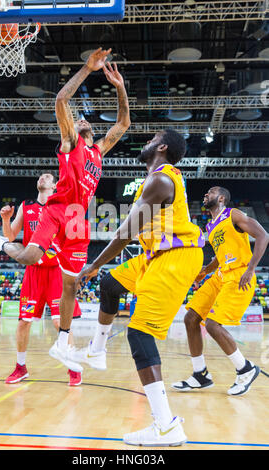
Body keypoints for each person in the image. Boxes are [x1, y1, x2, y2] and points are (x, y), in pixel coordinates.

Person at [0, 48, 130, 372]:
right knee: (29, 256)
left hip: (78, 222)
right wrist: (87, 69)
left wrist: (120, 87)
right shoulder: (72, 142)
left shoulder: (98, 151)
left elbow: (124, 122)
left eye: (86, 120)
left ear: (93, 131)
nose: (81, 119)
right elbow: (60, 101)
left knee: (70, 285)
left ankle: (62, 342)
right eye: (79, 118)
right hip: (56, 212)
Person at [73, 128, 205, 447]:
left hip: (175, 257)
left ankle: (166, 426)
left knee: (139, 333)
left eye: (151, 139)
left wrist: (94, 263)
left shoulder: (160, 180)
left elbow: (128, 229)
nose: (144, 143)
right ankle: (97, 349)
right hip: (154, 255)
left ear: (160, 147)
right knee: (109, 285)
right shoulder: (156, 179)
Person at [171, 186, 269, 396]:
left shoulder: (233, 214)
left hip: (240, 275)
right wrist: (206, 270)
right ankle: (200, 375)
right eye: (206, 192)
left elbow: (263, 236)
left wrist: (251, 269)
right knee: (190, 318)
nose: (206, 194)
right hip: (220, 275)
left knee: (213, 325)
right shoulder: (210, 226)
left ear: (221, 198)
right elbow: (220, 255)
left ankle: (245, 369)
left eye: (211, 192)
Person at [0, 173, 83, 385]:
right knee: (23, 322)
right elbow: (10, 237)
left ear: (55, 185)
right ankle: (20, 367)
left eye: (47, 176)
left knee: (59, 322)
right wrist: (6, 220)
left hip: (56, 271)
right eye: (40, 176)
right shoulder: (26, 207)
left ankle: (73, 367)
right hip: (33, 272)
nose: (41, 178)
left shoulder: (62, 207)